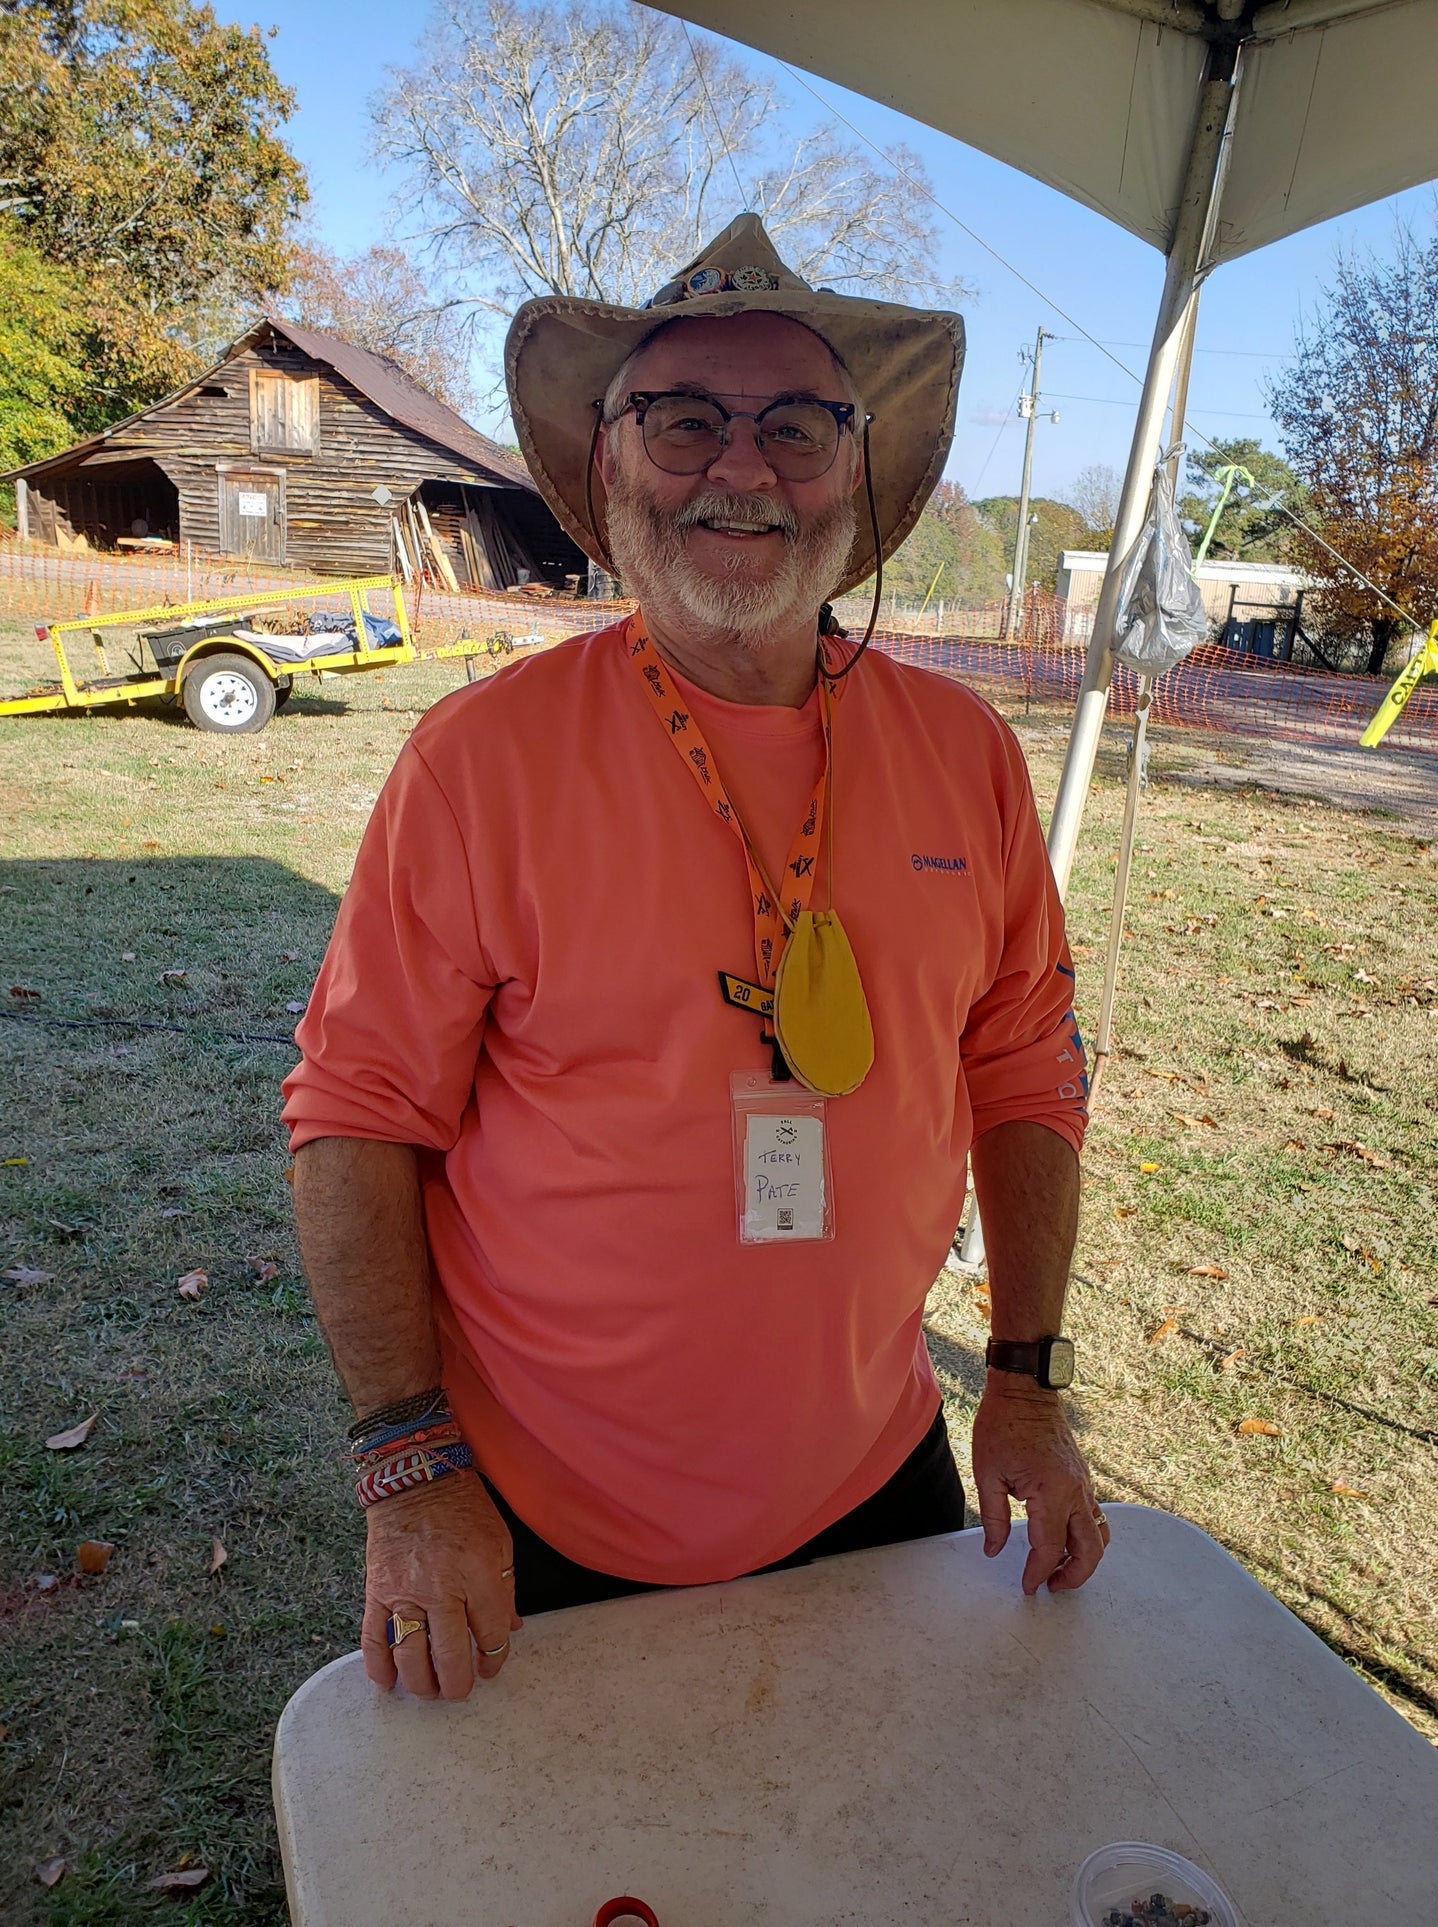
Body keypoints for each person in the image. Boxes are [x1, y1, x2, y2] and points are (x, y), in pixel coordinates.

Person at [282, 213, 1104, 1705]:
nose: (741, 466)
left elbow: (1026, 1066)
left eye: (796, 424)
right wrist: (409, 1470)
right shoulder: (482, 763)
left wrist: (1028, 1383)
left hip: (871, 1470)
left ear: (855, 471)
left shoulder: (965, 756)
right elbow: (354, 1120)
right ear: (607, 463)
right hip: (540, 1500)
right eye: (682, 420)